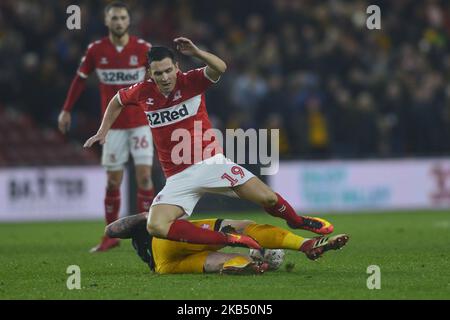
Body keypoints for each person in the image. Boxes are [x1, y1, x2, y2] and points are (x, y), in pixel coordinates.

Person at [84, 37, 334, 249]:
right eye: (158, 73)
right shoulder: (142, 92)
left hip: (212, 164)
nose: (165, 77)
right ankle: (228, 239)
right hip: (178, 177)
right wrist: (103, 131)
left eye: (169, 70)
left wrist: (196, 52)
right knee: (156, 226)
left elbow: (220, 67)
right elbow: (117, 100)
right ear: (150, 73)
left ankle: (297, 221)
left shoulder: (190, 81)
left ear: (176, 67)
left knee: (268, 199)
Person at [58, 1, 155, 252]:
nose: (119, 22)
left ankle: (151, 230)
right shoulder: (96, 50)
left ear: (129, 20)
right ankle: (110, 235)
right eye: (114, 18)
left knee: (144, 177)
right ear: (107, 21)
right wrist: (67, 109)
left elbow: (160, 80)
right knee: (113, 182)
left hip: (140, 123)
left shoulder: (143, 48)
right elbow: (79, 80)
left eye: (123, 17)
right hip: (111, 126)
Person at [105, 212, 349, 274]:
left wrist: (143, 217)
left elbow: (112, 230)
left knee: (220, 261)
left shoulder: (141, 229)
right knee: (240, 226)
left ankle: (247, 264)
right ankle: (305, 244)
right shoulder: (157, 221)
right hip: (168, 239)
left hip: (165, 267)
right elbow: (112, 229)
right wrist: (148, 216)